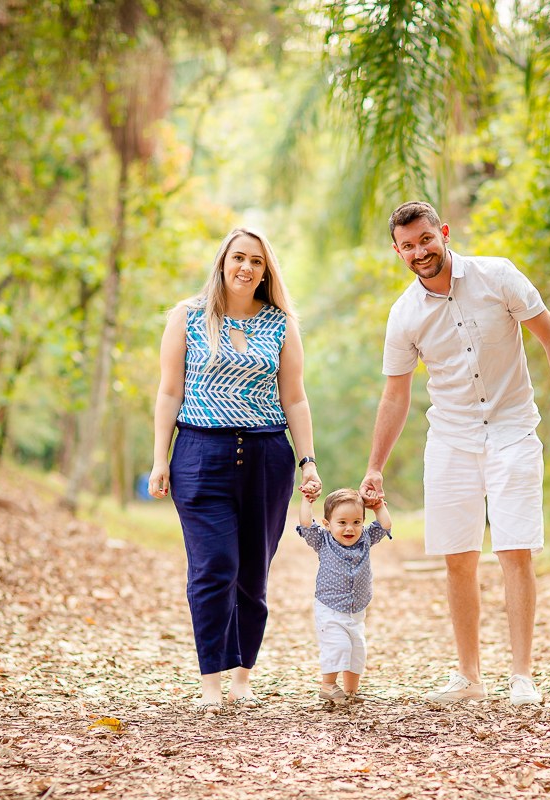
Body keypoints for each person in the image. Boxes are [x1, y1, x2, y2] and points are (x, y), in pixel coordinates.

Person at [359, 201, 550, 707]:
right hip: (452, 439)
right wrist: (375, 467)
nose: (420, 251)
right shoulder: (405, 314)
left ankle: (522, 676)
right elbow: (396, 394)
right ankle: (469, 677)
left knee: (514, 550)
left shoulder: (497, 276)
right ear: (397, 252)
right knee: (457, 559)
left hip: (512, 431)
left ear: (442, 232)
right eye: (408, 246)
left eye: (425, 239)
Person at [148, 227, 322, 716]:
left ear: (266, 272)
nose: (246, 268)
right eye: (239, 257)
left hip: (267, 457)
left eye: (258, 262)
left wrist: (308, 460)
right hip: (200, 455)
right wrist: (160, 458)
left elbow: (295, 398)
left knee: (252, 573)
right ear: (223, 262)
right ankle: (210, 681)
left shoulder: (281, 324)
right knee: (213, 567)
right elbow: (168, 392)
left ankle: (242, 674)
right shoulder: (187, 317)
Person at [297, 487, 392, 704]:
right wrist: (307, 501)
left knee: (357, 650)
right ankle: (328, 685)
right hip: (329, 607)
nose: (350, 528)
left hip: (356, 610)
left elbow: (385, 525)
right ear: (327, 524)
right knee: (339, 646)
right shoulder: (323, 541)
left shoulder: (366, 538)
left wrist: (378, 507)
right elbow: (305, 524)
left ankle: (350, 692)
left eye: (356, 522)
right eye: (342, 523)